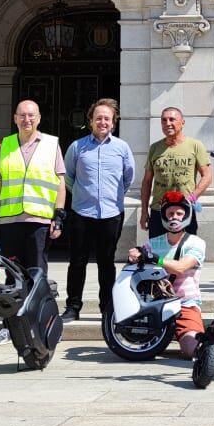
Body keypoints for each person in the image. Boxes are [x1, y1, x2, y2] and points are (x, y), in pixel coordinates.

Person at [0, 98, 66, 345]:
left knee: (36, 275)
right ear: (15, 118)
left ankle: (40, 324)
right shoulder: (6, 145)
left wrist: (59, 216)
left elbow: (60, 183)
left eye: (31, 115)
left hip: (38, 220)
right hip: (10, 222)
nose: (27, 120)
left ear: (39, 118)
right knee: (10, 278)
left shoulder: (52, 144)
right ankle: (9, 328)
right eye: (22, 115)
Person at [62, 98, 134, 322]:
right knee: (77, 262)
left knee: (106, 263)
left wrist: (113, 195)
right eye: (98, 118)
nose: (102, 122)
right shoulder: (77, 147)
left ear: (113, 123)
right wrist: (84, 195)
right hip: (81, 213)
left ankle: (107, 307)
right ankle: (73, 306)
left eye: (107, 119)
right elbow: (68, 177)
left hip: (111, 214)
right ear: (91, 121)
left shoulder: (122, 148)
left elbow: (128, 177)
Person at [127, 190, 206, 358]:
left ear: (186, 215)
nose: (174, 217)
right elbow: (139, 264)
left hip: (185, 304)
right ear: (164, 215)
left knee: (193, 349)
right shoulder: (153, 243)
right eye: (170, 213)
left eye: (179, 213)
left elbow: (180, 267)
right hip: (155, 307)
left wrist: (156, 258)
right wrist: (134, 255)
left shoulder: (196, 243)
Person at [139, 107, 213, 238]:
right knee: (157, 254)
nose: (167, 123)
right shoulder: (155, 148)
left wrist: (191, 198)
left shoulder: (195, 145)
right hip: (159, 210)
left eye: (172, 119)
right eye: (164, 120)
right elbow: (146, 182)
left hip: (183, 210)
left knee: (185, 252)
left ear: (182, 122)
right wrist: (144, 211)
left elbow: (207, 176)